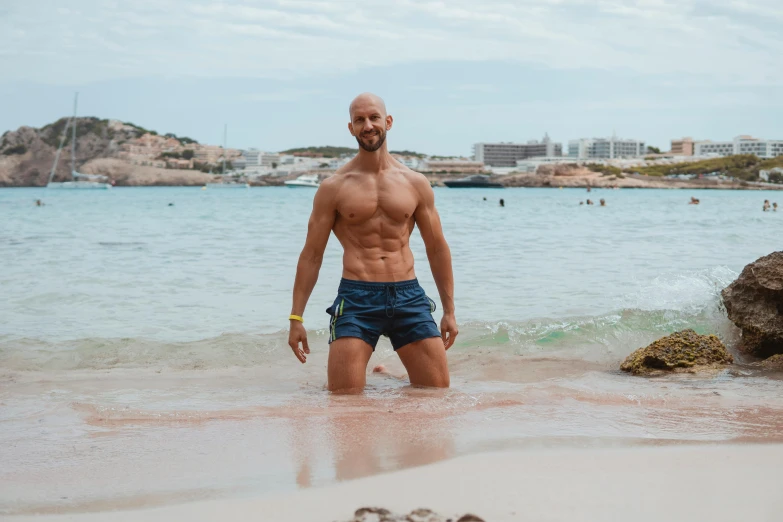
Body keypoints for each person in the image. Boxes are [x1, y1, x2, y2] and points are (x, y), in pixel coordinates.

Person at [287, 93, 457, 392]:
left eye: (374, 117)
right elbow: (312, 255)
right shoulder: (334, 187)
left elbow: (437, 247)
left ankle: (387, 375)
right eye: (359, 120)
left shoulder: (414, 183)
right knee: (343, 398)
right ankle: (369, 374)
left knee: (436, 393)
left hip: (409, 296)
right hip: (356, 299)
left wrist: (449, 311)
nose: (368, 125)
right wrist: (295, 317)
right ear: (351, 128)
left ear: (387, 122)